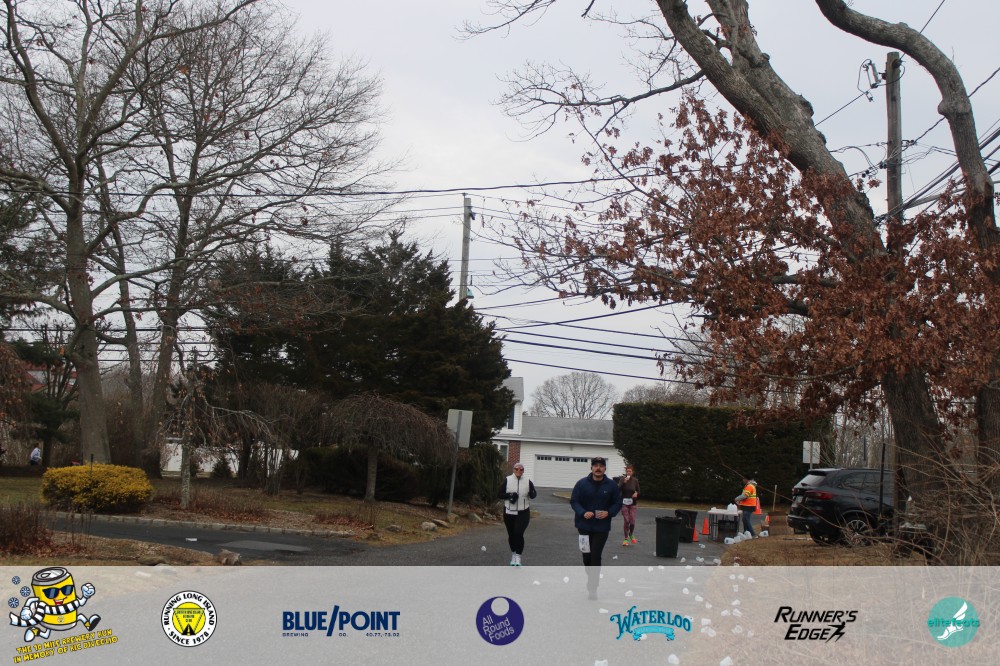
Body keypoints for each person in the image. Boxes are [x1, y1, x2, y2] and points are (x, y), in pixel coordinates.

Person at [570, 456, 622, 598]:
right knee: (587, 557)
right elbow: (574, 501)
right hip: (584, 526)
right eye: (595, 465)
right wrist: (582, 512)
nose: (598, 468)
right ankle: (591, 576)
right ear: (591, 468)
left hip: (601, 528)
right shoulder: (581, 484)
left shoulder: (611, 486)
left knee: (596, 556)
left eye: (601, 466)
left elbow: (618, 503)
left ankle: (593, 588)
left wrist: (608, 513)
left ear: (605, 468)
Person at [498, 462, 537, 566]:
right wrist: (510, 495)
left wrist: (532, 494)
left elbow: (534, 493)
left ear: (523, 471)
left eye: (521, 469)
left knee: (518, 533)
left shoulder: (527, 481)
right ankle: (514, 554)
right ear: (513, 470)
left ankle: (518, 556)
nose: (518, 471)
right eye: (516, 469)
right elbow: (500, 494)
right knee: (511, 534)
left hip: (523, 511)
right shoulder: (508, 480)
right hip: (509, 511)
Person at [617, 464, 640, 546]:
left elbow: (638, 490)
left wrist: (636, 493)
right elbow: (618, 489)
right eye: (627, 471)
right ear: (626, 472)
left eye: (630, 471)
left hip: (633, 503)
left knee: (632, 521)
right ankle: (626, 539)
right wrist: (624, 483)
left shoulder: (635, 480)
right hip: (624, 503)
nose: (628, 473)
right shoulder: (622, 479)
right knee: (627, 521)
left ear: (632, 472)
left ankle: (631, 534)